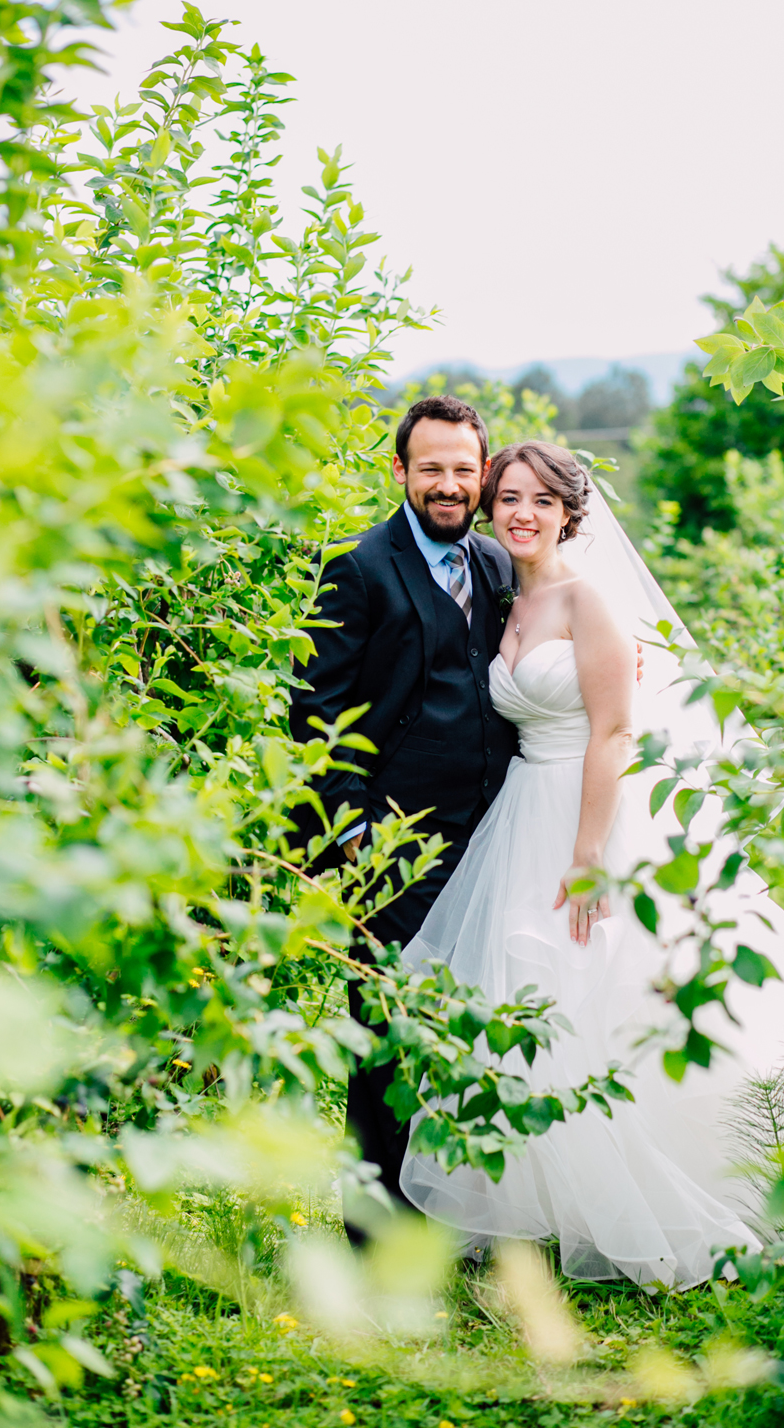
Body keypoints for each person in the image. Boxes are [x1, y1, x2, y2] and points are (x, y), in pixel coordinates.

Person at [399, 440, 784, 1288]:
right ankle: (552, 1203)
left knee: (622, 992)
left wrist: (589, 854)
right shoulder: (505, 598)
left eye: (541, 501)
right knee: (534, 1004)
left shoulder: (590, 601)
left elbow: (616, 731)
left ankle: (686, 1191)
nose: (522, 512)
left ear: (569, 513)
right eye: (509, 496)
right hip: (521, 809)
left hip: (591, 816)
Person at [289, 395, 520, 1219]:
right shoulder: (356, 566)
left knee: (470, 1027)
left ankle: (456, 1217)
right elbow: (315, 707)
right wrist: (351, 833)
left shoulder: (497, 566)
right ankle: (370, 1231)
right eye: (432, 469)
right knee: (384, 1034)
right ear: (400, 471)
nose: (449, 485)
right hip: (387, 850)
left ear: (483, 472)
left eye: (464, 469)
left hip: (492, 838)